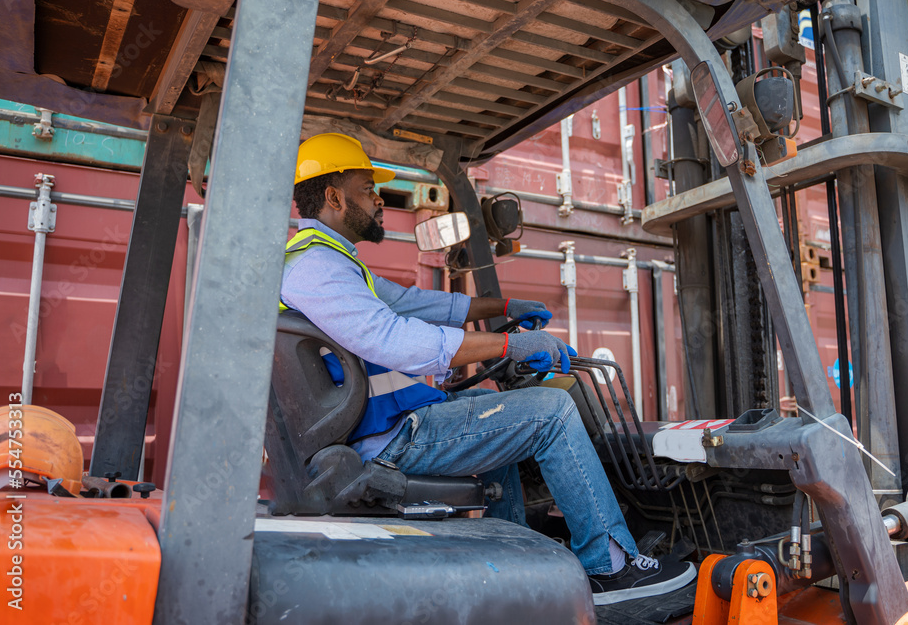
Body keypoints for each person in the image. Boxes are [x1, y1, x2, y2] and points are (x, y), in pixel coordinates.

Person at [280, 133, 695, 605]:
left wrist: (503, 304)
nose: (378, 199)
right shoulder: (318, 269)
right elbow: (395, 339)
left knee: (496, 405)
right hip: (387, 442)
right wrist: (508, 344)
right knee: (552, 411)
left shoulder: (332, 263)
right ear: (333, 197)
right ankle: (610, 566)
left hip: (382, 430)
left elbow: (417, 303)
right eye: (367, 189)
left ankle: (519, 563)